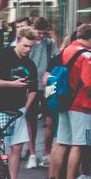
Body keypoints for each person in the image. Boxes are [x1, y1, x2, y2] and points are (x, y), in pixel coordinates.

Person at [46, 24, 91, 179]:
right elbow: (88, 82)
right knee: (79, 145)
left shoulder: (67, 50)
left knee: (63, 142)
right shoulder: (85, 55)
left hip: (64, 101)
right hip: (80, 104)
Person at [0, 26, 38, 179]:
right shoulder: (4, 57)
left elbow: (33, 89)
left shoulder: (30, 64)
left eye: (31, 47)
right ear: (18, 41)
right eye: (25, 46)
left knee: (17, 147)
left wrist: (26, 108)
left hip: (18, 110)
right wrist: (12, 84)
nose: (27, 50)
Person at [26, 17, 59, 169]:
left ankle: (46, 154)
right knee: (31, 120)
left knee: (50, 120)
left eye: (43, 33)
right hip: (31, 85)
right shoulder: (28, 42)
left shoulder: (49, 43)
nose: (40, 36)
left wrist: (49, 74)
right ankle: (32, 154)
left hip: (47, 85)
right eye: (38, 32)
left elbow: (56, 59)